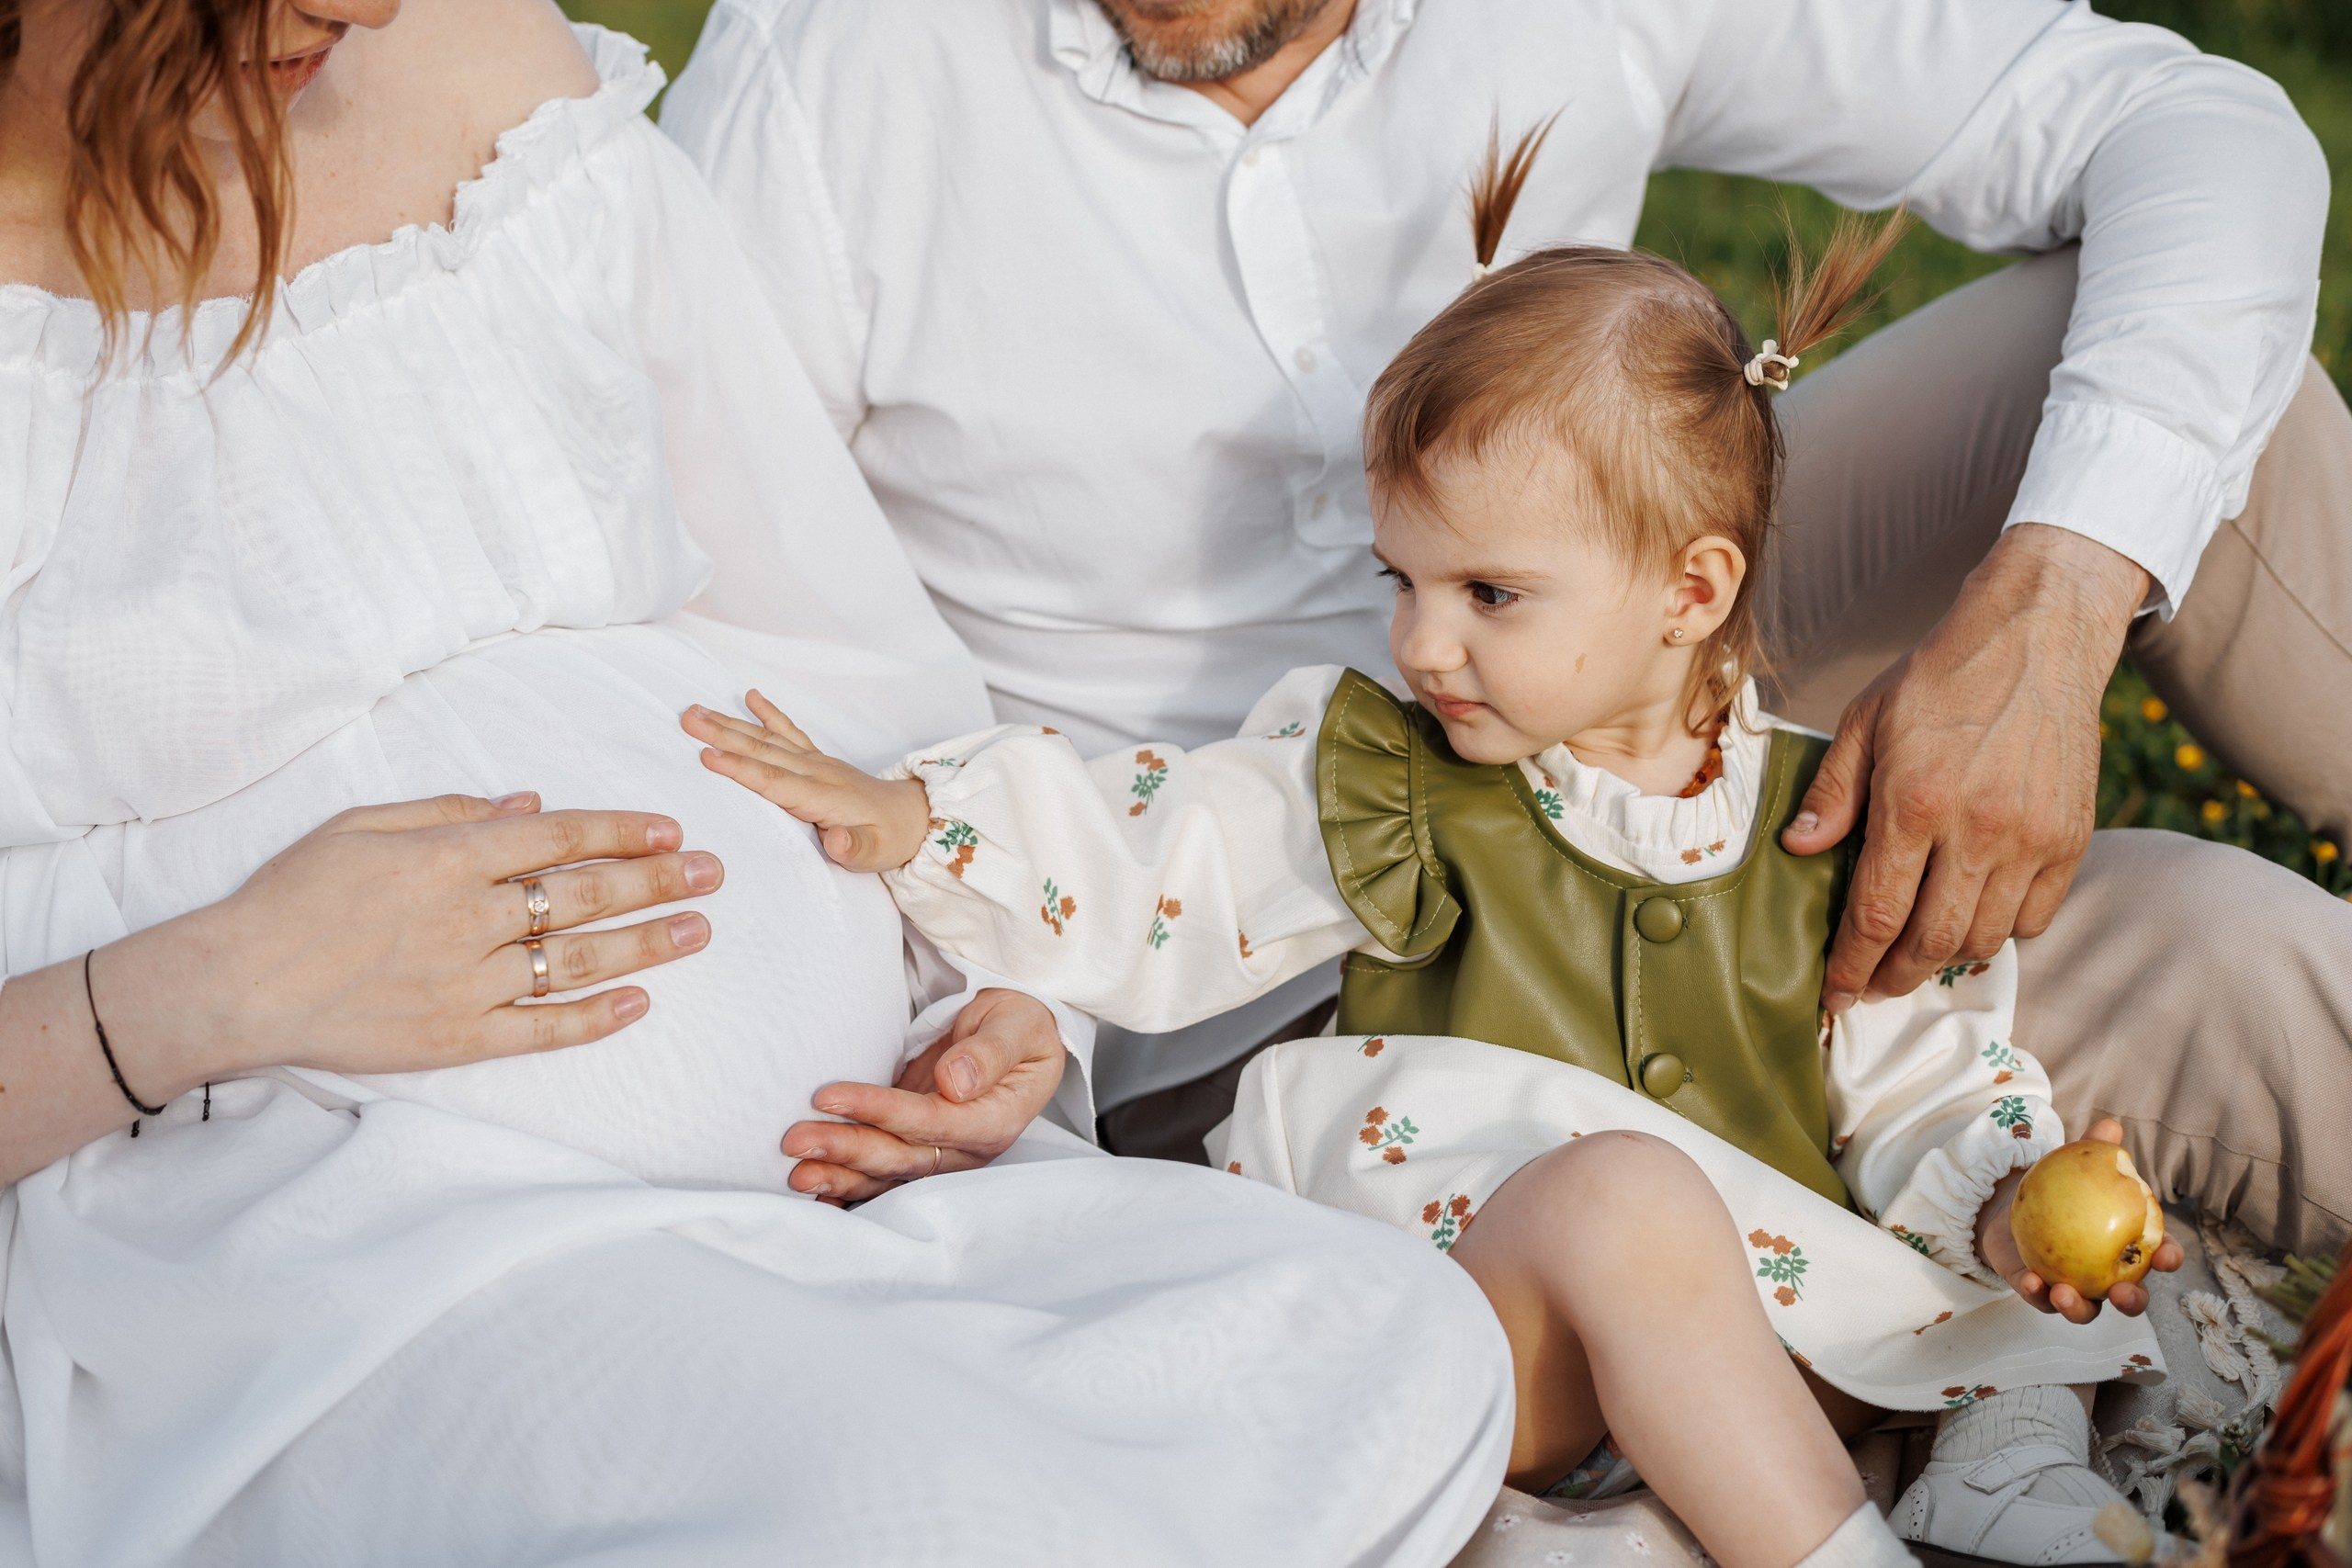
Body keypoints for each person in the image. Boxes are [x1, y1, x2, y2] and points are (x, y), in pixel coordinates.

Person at [0, 3, 1514, 1563]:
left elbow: (841, 651)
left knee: (1390, 1340)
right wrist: (205, 989)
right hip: (366, 1245)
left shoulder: (476, 58)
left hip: (851, 1181)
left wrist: (981, 1004)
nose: (368, 6)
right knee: (926, 1511)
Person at [686, 160, 2203, 1564]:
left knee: (1985, 1330)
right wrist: (924, 819)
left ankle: (1982, 1466)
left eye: (1490, 593)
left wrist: (2009, 1212)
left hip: (1764, 1346)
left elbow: (1928, 1084)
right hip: (1493, 1333)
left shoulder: (1819, 828)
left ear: (1691, 589)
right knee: (1622, 1199)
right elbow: (1167, 852)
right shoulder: (1388, 787)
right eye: (1401, 580)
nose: (1421, 642)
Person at [662, 0, 2352, 1256]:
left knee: (2185, 380)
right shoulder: (830, 69)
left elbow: (2187, 125)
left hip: (1635, 701)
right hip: (1221, 936)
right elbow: (721, 641)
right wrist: (1008, 1010)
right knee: (2215, 943)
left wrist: (2050, 612)